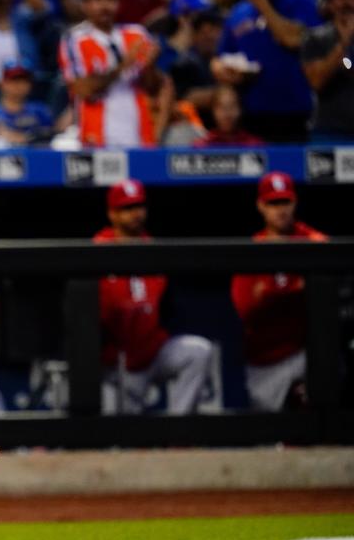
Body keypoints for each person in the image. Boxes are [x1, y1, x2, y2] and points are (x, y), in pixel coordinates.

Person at [97, 179, 213, 415]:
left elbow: (169, 308)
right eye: (126, 209)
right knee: (120, 437)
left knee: (198, 352)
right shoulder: (96, 250)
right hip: (117, 362)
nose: (134, 214)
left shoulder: (155, 249)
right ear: (112, 214)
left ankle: (178, 432)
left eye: (138, 207)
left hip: (153, 351)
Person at [231, 172, 327, 411]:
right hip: (265, 362)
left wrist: (270, 293)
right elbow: (245, 310)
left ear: (295, 202)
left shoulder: (312, 241)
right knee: (272, 436)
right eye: (273, 203)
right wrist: (293, 290)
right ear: (261, 206)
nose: (280, 210)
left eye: (285, 202)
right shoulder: (252, 251)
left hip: (302, 355)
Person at [58, 0, 169, 148]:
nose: (105, 6)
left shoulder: (137, 34)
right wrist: (122, 66)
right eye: (98, 1)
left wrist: (150, 66)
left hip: (139, 135)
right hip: (96, 137)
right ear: (85, 5)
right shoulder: (75, 40)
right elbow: (83, 89)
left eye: (111, 1)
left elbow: (153, 88)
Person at [212, 0, 322, 143]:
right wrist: (221, 69)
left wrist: (263, 6)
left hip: (294, 113)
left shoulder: (301, 4)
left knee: (290, 163)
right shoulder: (239, 12)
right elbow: (221, 56)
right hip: (250, 113)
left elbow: (293, 39)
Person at [300, 0, 354, 141]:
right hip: (329, 132)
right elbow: (316, 81)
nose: (346, 2)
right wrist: (343, 43)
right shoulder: (315, 38)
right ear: (329, 4)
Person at [0, 61, 54, 147]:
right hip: (4, 158)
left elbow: (50, 135)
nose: (19, 85)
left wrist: (19, 137)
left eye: (24, 80)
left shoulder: (39, 110)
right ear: (2, 83)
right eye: (14, 80)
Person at [194, 82, 263, 145]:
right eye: (221, 107)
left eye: (232, 106)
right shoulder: (202, 145)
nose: (227, 114)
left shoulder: (255, 145)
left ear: (241, 109)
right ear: (213, 111)